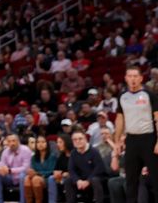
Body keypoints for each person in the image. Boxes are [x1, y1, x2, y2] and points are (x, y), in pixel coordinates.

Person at [114, 65, 158, 203]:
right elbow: (120, 119)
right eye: (130, 76)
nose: (132, 79)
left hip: (149, 139)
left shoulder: (149, 95)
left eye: (135, 76)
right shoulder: (122, 96)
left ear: (141, 78)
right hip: (131, 140)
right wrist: (117, 141)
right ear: (126, 78)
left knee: (156, 179)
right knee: (131, 181)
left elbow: (157, 118)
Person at [65, 130, 105, 203]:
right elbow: (71, 169)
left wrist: (88, 181)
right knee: (68, 180)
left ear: (85, 139)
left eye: (80, 139)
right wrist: (77, 180)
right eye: (75, 139)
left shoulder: (94, 151)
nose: (78, 141)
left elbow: (99, 169)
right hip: (81, 180)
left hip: (94, 178)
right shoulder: (73, 153)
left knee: (95, 180)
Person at [0, 134, 32, 203]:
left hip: (22, 176)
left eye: (13, 141)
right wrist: (2, 169)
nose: (11, 143)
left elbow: (26, 168)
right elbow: (1, 164)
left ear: (18, 141)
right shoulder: (5, 151)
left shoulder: (26, 150)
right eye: (9, 141)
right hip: (10, 177)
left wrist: (10, 170)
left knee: (22, 175)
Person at [24, 135, 56, 203]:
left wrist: (38, 173)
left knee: (36, 179)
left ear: (47, 144)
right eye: (38, 142)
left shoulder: (52, 156)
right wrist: (31, 172)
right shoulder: (34, 157)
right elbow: (33, 170)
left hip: (48, 179)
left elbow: (52, 171)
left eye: (43, 142)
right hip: (36, 178)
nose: (40, 144)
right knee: (27, 179)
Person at [48, 134, 72, 203]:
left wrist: (67, 174)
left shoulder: (74, 154)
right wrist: (56, 173)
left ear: (67, 142)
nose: (58, 144)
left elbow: (78, 170)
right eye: (57, 142)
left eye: (60, 142)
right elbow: (56, 169)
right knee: (51, 178)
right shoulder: (61, 155)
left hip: (72, 177)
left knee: (66, 180)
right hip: (62, 177)